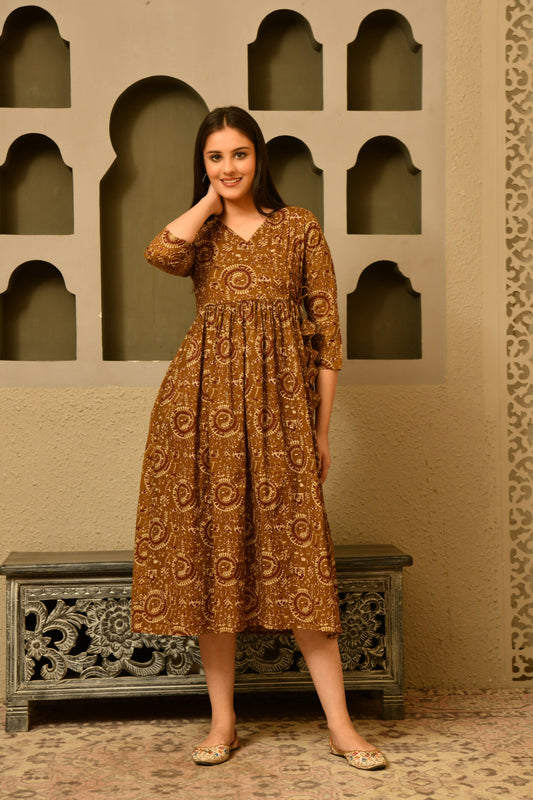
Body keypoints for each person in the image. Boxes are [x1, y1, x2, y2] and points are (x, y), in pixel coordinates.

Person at [131, 106, 386, 771]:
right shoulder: (200, 235)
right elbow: (160, 253)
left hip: (281, 418)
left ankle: (341, 727)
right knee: (214, 561)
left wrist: (320, 432)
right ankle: (222, 721)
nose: (229, 167)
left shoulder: (298, 227)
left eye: (239, 154)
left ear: (260, 156)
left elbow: (328, 338)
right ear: (203, 165)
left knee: (301, 562)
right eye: (215, 157)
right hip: (201, 414)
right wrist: (208, 202)